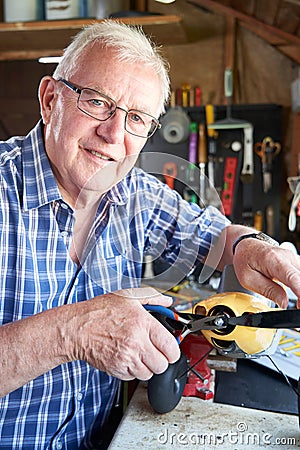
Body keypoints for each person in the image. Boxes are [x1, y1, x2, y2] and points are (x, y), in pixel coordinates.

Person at [0, 19, 299, 449]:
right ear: (50, 100)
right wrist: (71, 332)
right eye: (98, 102)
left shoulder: (134, 193)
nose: (114, 134)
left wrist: (250, 247)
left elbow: (213, 237)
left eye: (136, 118)